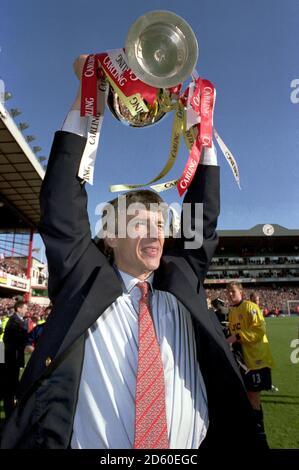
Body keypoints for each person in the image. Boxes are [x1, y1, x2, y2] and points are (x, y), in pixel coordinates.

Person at [1, 56, 260, 450]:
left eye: (161, 223)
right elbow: (61, 203)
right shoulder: (82, 278)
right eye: (139, 223)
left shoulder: (181, 278)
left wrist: (201, 128)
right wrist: (87, 96)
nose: (156, 232)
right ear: (110, 235)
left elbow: (202, 215)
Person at [226, 282, 274, 446]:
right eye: (228, 292)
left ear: (241, 292)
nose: (230, 294)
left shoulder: (250, 307)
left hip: (256, 360)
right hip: (244, 361)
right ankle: (253, 429)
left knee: (253, 396)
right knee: (247, 395)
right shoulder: (232, 312)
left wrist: (237, 337)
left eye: (233, 291)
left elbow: (259, 331)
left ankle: (260, 433)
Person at [2, 300, 28, 419]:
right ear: (19, 309)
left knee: (12, 385)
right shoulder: (14, 322)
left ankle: (11, 409)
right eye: (25, 308)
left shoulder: (18, 321)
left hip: (11, 357)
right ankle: (10, 413)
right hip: (10, 358)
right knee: (9, 387)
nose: (26, 310)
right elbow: (15, 342)